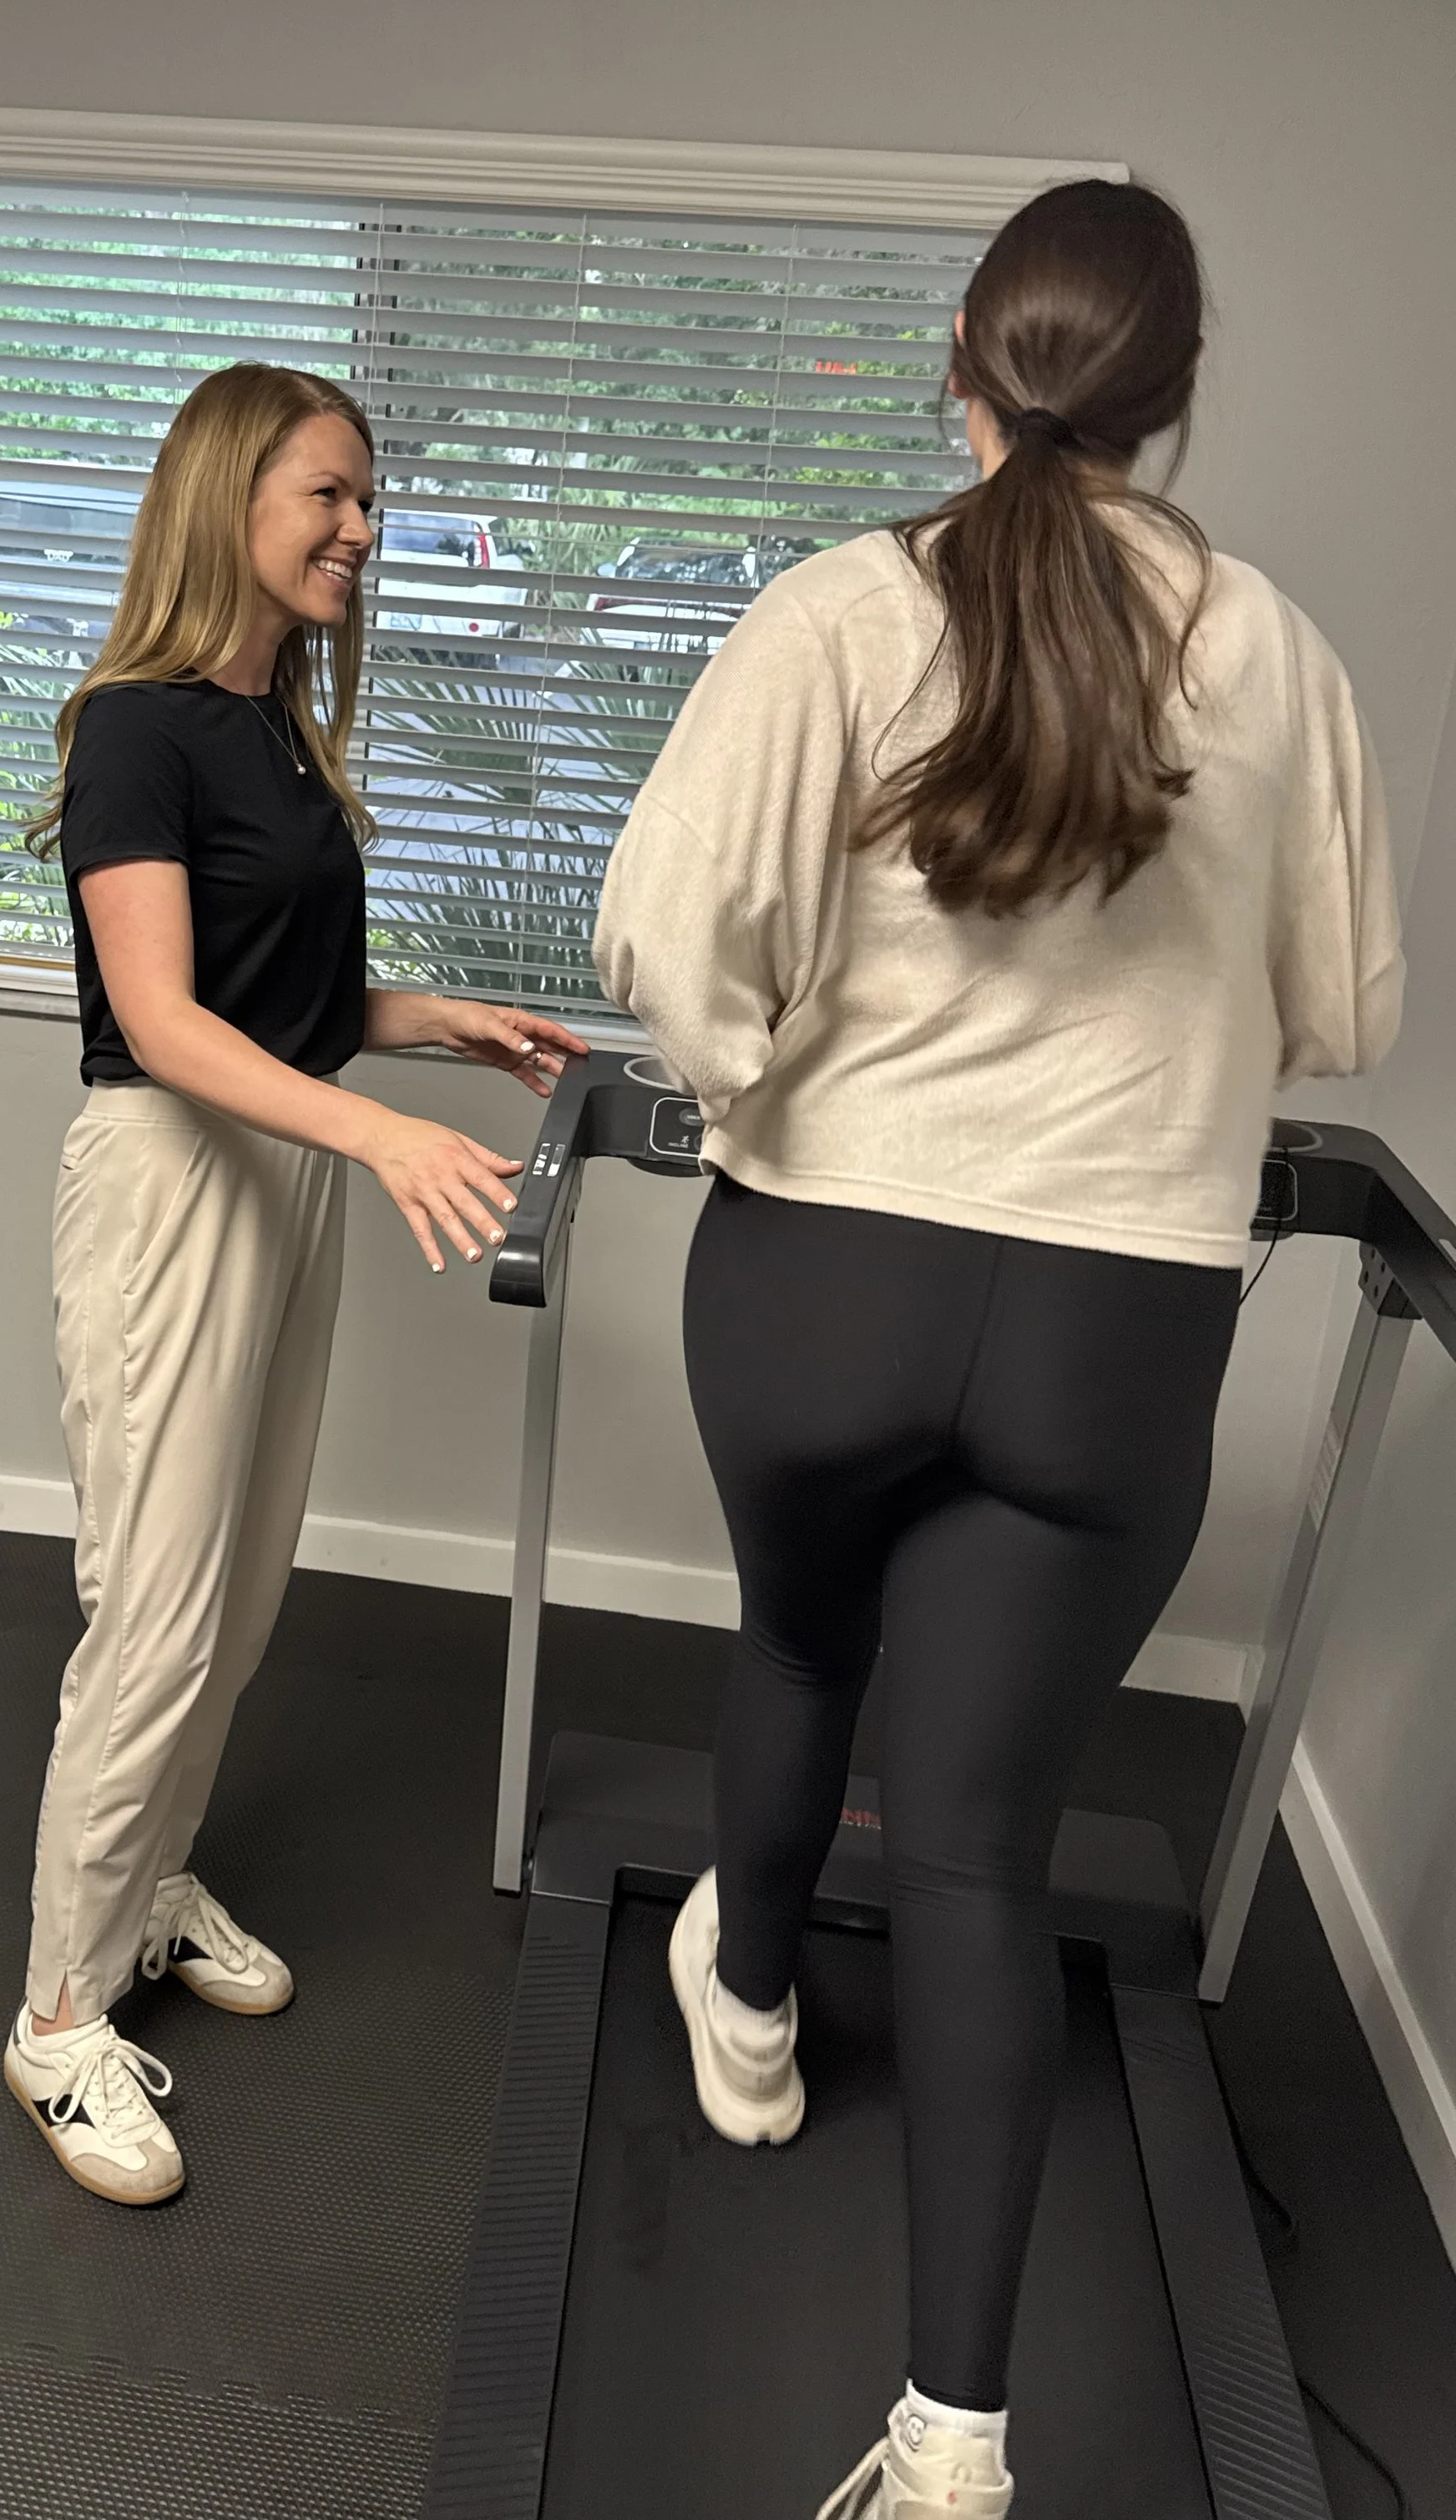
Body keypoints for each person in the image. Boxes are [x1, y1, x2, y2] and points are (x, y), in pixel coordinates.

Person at [594, 180, 1402, 2519]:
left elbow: (668, 924)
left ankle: (740, 2013)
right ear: (1170, 402)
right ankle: (950, 2436)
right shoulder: (1277, 653)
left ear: (963, 373)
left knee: (794, 1641)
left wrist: (761, 1077)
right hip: (1111, 1320)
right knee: (970, 1849)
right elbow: (1341, 1014)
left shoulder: (839, 610)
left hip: (819, 1275)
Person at [8, 362, 588, 2208]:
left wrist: (433, 1026)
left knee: (238, 1594)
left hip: (277, 1180)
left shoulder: (273, 731)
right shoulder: (137, 729)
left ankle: (148, 1877)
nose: (360, 528)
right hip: (175, 1182)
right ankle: (51, 2024)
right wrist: (376, 1136)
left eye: (368, 501)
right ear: (224, 501)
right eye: (327, 496)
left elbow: (285, 1000)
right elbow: (167, 1024)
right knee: (155, 1611)